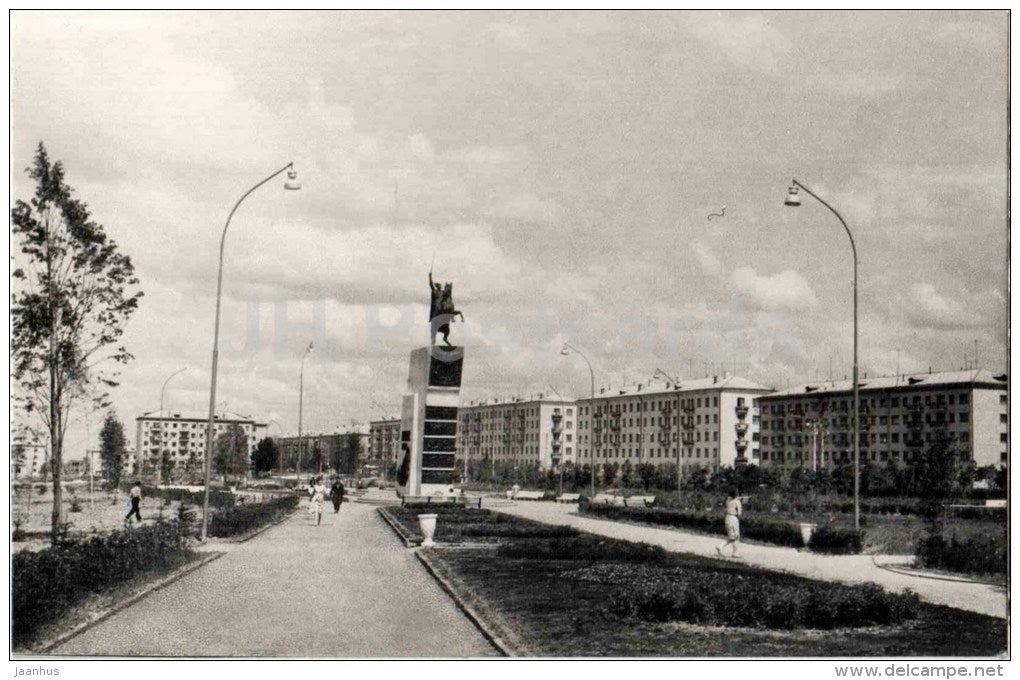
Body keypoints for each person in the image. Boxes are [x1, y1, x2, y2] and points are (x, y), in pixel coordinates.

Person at [716, 488, 743, 558]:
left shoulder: (727, 500)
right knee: (736, 537)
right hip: (733, 518)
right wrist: (740, 504)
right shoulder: (737, 502)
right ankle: (735, 553)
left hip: (727, 518)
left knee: (732, 536)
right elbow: (739, 513)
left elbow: (725, 506)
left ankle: (720, 546)